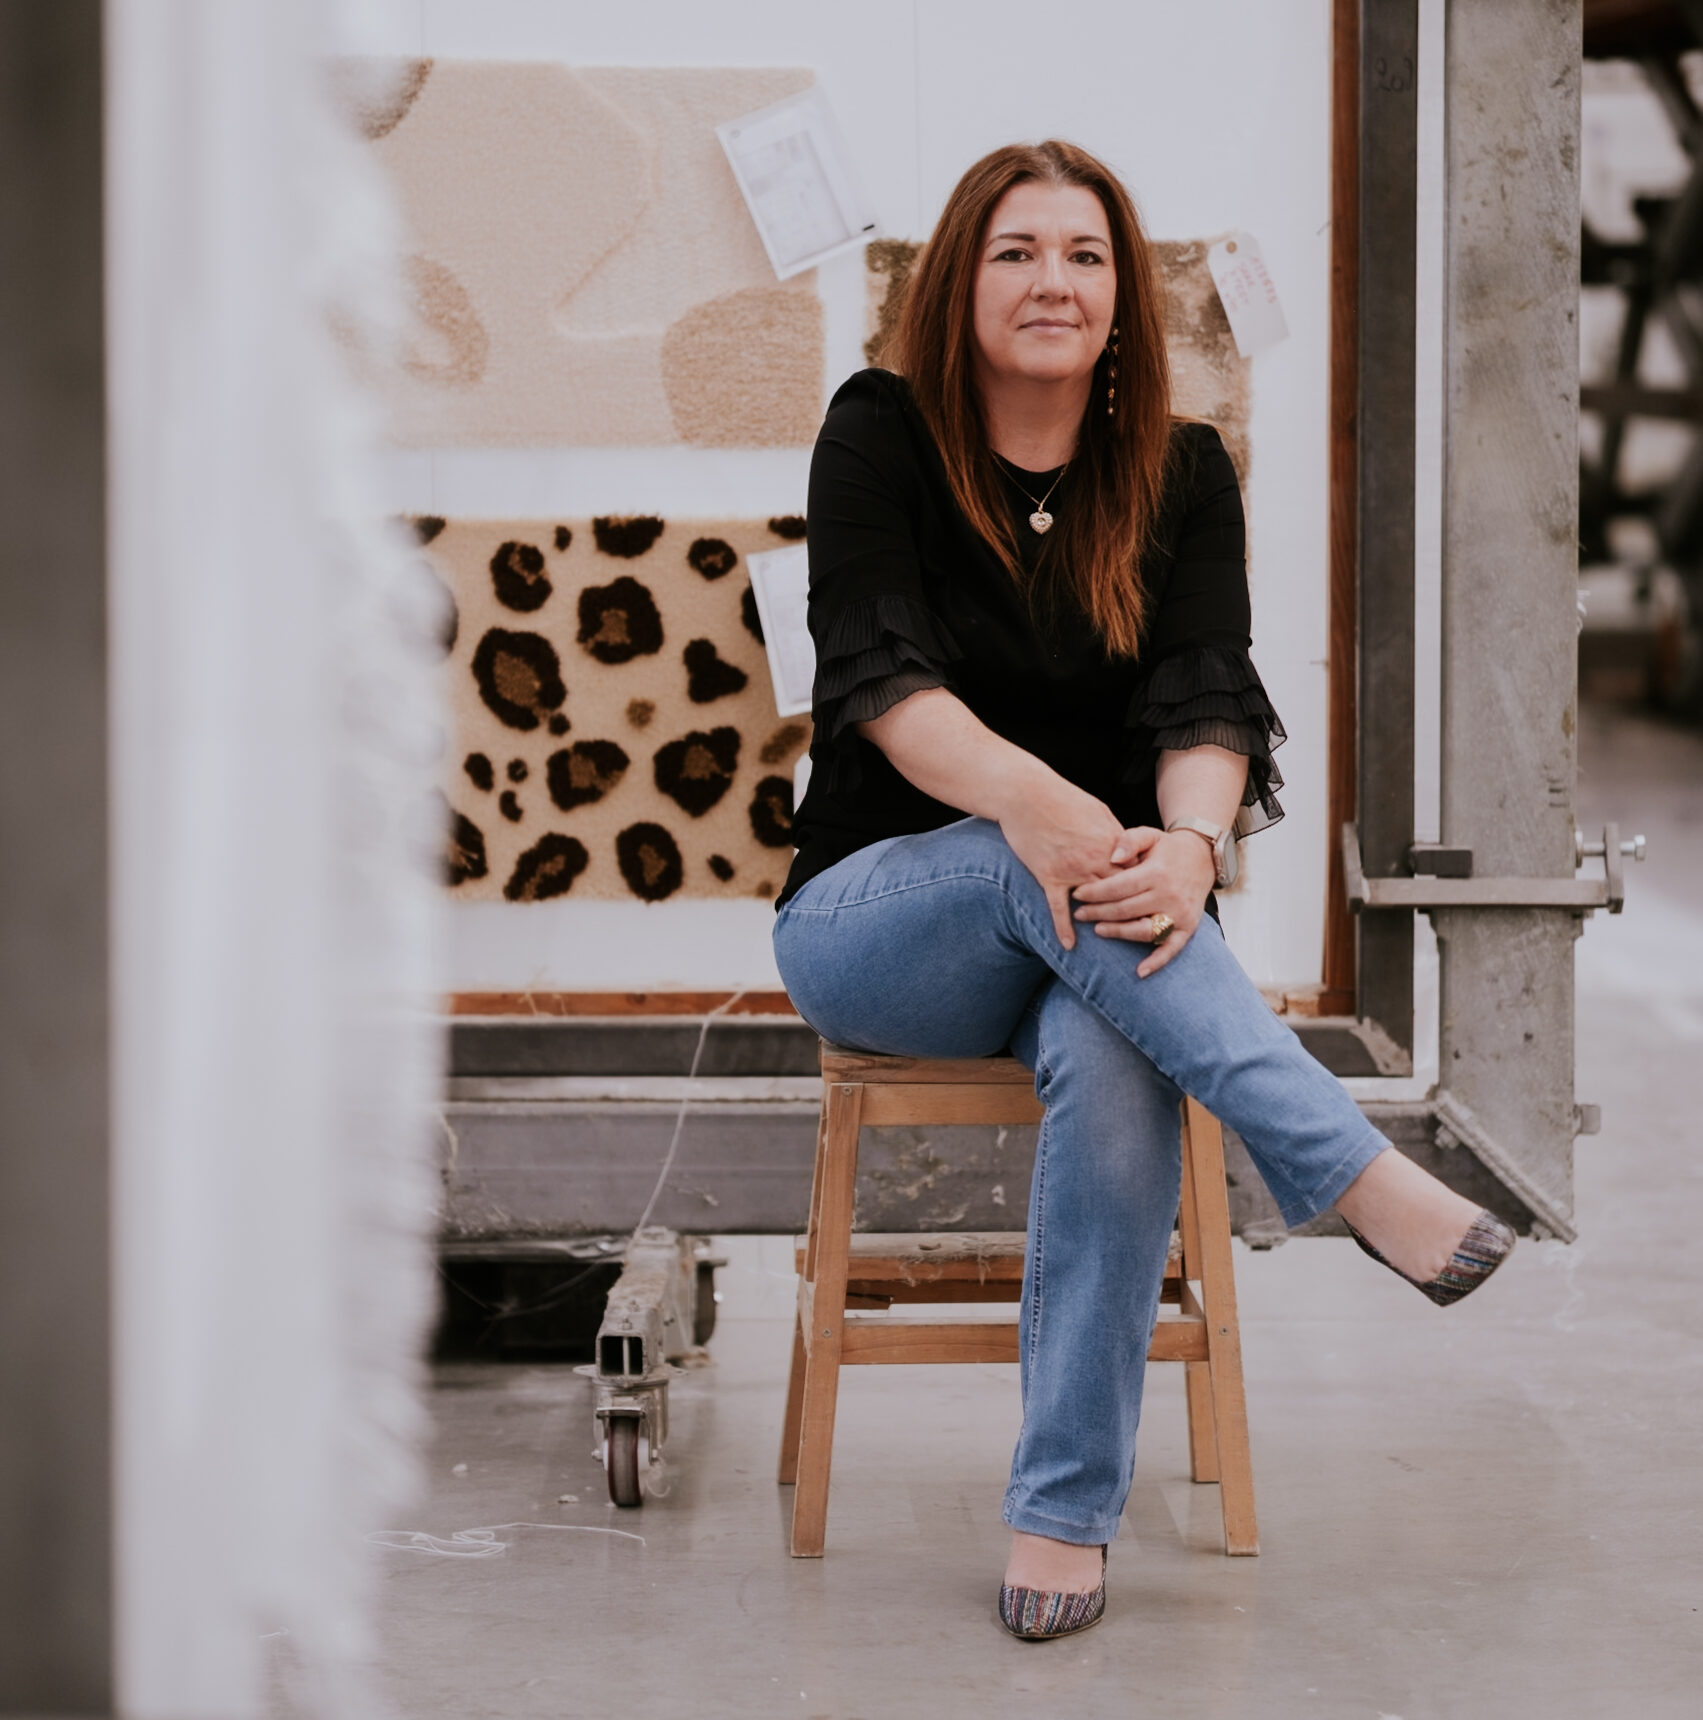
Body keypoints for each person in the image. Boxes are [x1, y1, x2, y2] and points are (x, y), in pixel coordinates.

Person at [770, 140, 1514, 1642]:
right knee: (1017, 856)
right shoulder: (878, 431)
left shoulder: (1180, 471)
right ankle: (1348, 1169)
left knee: (1118, 1061)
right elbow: (883, 688)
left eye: (1086, 254)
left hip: (1104, 929)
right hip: (881, 923)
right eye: (1018, 251)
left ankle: (1060, 1515)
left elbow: (1206, 700)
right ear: (960, 280)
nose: (1054, 280)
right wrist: (1050, 812)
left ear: (1122, 294)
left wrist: (1186, 845)